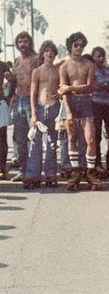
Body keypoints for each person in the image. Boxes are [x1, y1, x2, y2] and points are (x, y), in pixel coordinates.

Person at [59, 32, 101, 190]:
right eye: (76, 45)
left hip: (85, 102)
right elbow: (63, 92)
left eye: (82, 45)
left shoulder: (89, 65)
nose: (79, 48)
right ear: (70, 46)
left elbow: (89, 86)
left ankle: (90, 171)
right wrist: (68, 111)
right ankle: (76, 171)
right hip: (70, 103)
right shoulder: (64, 66)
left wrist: (70, 87)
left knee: (90, 139)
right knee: (72, 138)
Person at [24, 41, 61, 187]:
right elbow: (33, 93)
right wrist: (33, 113)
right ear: (42, 53)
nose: (49, 53)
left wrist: (59, 93)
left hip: (54, 108)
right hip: (39, 108)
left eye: (51, 51)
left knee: (52, 143)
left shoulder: (58, 70)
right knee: (35, 143)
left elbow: (62, 87)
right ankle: (33, 175)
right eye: (46, 51)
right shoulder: (37, 71)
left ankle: (51, 174)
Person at [10, 32, 40, 181]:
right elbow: (14, 83)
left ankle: (33, 172)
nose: (23, 44)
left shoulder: (36, 59)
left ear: (30, 42)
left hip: (32, 100)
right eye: (20, 42)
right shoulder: (17, 60)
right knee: (20, 139)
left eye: (25, 41)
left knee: (34, 138)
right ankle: (23, 169)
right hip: (18, 101)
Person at [91, 46, 109, 176]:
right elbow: (93, 85)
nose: (101, 58)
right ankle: (97, 164)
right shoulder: (91, 70)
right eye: (98, 56)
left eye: (102, 56)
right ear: (93, 57)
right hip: (95, 105)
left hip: (108, 105)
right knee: (96, 136)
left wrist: (104, 86)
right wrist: (105, 86)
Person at [0, 56, 14, 180]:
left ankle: (2, 167)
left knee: (2, 137)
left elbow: (13, 83)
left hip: (0, 104)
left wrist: (7, 98)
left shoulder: (3, 65)